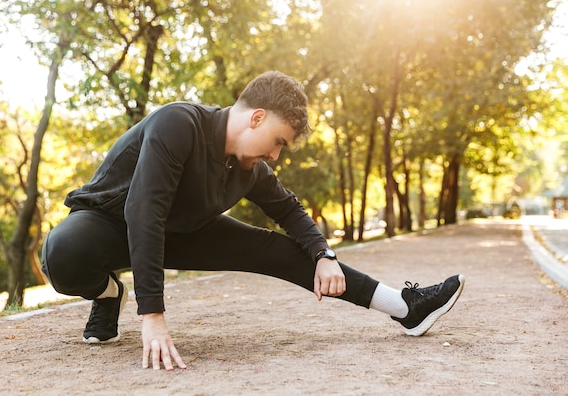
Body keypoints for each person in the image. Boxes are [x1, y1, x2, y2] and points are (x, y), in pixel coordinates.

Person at [41, 71, 465, 371]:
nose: (276, 155)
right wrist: (151, 315)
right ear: (256, 117)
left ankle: (404, 307)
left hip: (181, 231)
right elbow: (143, 210)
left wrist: (324, 254)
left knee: (275, 248)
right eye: (278, 141)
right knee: (62, 254)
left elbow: (289, 210)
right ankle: (108, 292)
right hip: (110, 222)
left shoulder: (249, 169)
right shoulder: (178, 123)